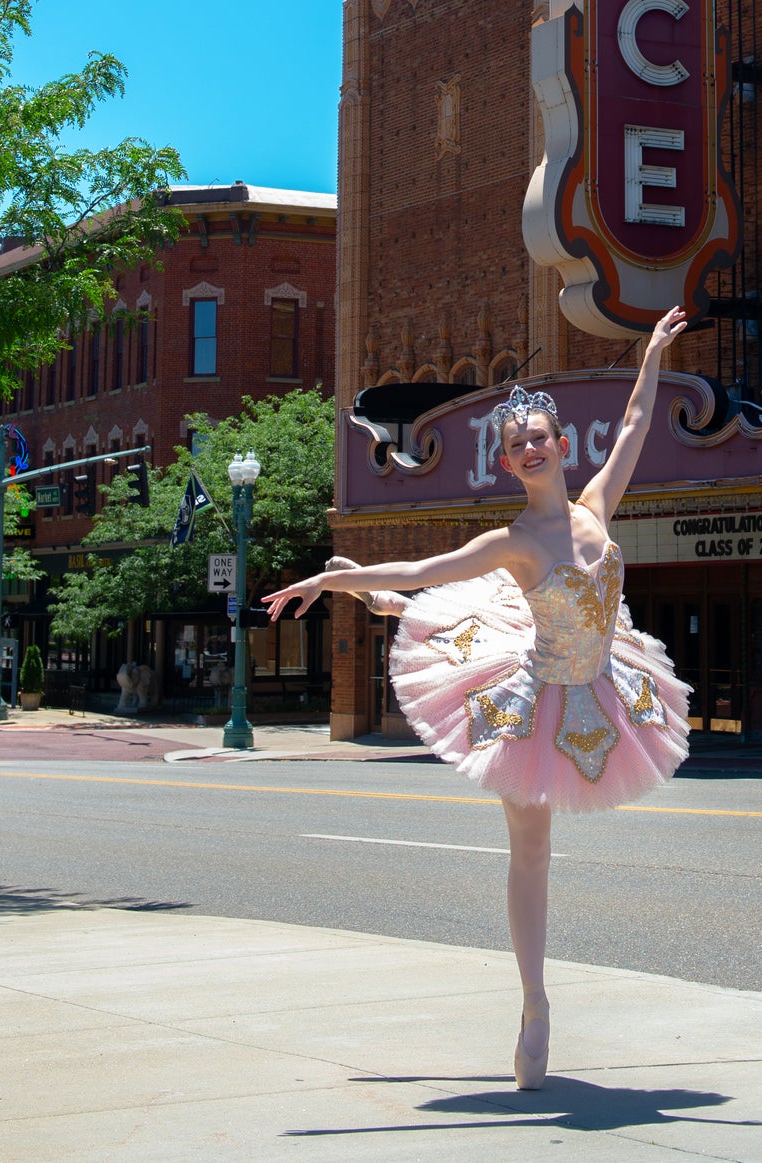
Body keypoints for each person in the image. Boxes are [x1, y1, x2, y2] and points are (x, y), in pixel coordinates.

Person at [263, 306, 691, 1090]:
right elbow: (423, 566)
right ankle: (534, 1005)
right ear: (506, 462)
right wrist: (336, 578)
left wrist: (653, 353)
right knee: (531, 850)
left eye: (538, 436)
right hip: (535, 693)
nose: (529, 446)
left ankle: (397, 617)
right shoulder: (513, 541)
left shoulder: (597, 507)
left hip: (601, 674)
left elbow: (633, 419)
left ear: (562, 446)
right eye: (515, 442)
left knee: (474, 613)